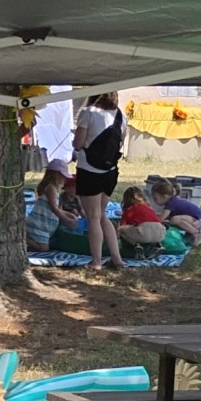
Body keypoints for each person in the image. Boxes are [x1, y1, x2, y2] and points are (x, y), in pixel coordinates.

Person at [73, 94, 126, 272]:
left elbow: (78, 144)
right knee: (102, 215)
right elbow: (120, 144)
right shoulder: (121, 115)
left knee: (93, 217)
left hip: (89, 171)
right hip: (110, 172)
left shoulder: (88, 113)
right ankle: (117, 259)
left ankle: (96, 262)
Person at [24, 169, 78, 252]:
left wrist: (68, 214)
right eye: (63, 176)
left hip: (45, 225)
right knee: (44, 249)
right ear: (56, 175)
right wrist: (66, 219)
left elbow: (57, 208)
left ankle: (29, 244)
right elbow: (54, 208)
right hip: (39, 224)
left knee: (44, 246)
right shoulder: (51, 188)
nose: (65, 179)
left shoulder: (55, 189)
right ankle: (23, 237)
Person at [146, 176, 201, 247]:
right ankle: (192, 234)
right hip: (197, 220)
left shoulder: (170, 204)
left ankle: (197, 233)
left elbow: (160, 219)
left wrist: (149, 222)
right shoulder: (172, 200)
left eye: (155, 199)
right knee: (173, 220)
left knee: (174, 219)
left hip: (200, 222)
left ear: (164, 196)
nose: (154, 201)